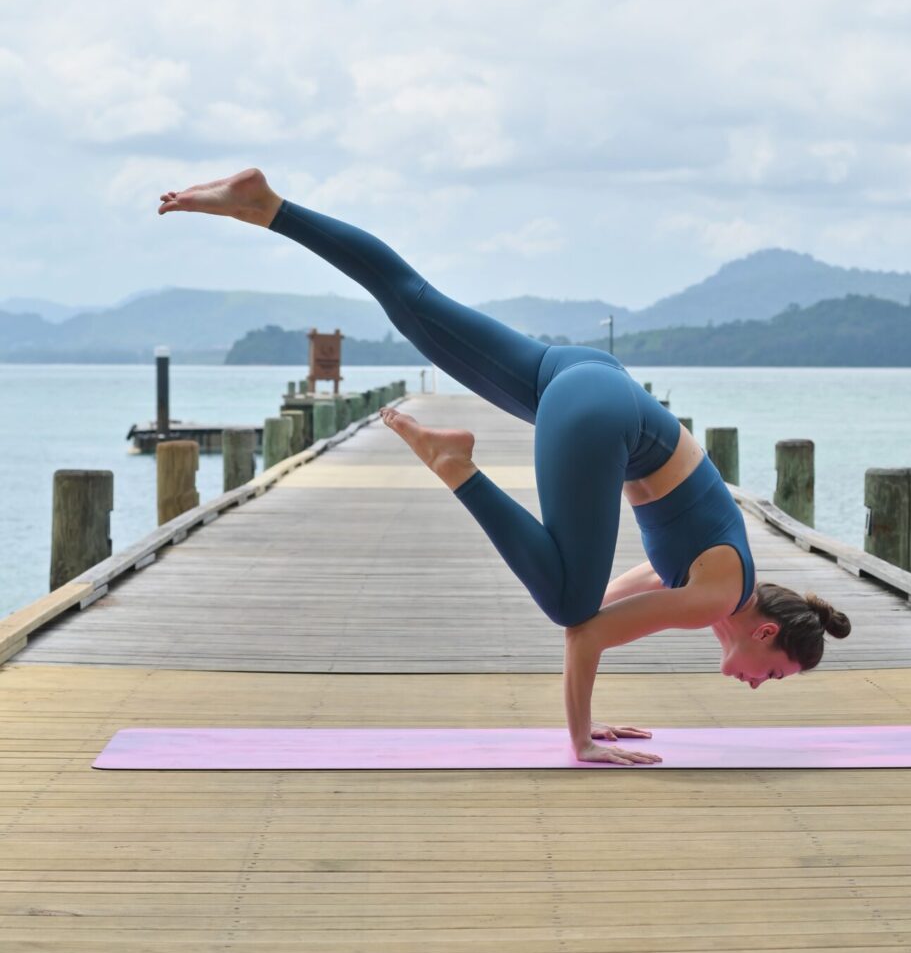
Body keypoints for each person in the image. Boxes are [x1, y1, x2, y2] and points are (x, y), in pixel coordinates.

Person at [158, 168, 851, 767]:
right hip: (600, 416)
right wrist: (582, 739)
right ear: (765, 633)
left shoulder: (718, 585)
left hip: (587, 380)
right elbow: (583, 627)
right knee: (565, 601)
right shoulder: (714, 597)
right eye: (777, 674)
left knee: (415, 303)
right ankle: (456, 464)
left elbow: (602, 613)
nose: (761, 685)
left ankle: (266, 204)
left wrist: (588, 699)